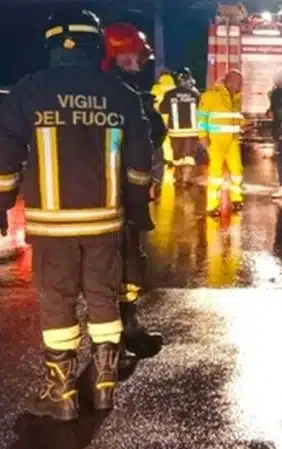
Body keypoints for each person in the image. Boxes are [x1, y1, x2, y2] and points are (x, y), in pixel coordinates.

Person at [0, 8, 153, 421]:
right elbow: (140, 160)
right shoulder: (121, 94)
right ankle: (103, 388)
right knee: (102, 296)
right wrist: (136, 206)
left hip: (52, 227)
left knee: (57, 300)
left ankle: (62, 394)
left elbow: (5, 153)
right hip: (105, 224)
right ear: (97, 47)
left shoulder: (29, 91)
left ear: (53, 46)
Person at [100, 22, 166, 361]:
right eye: (133, 56)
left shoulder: (125, 90)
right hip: (112, 195)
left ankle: (128, 327)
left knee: (128, 263)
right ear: (114, 55)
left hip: (118, 194)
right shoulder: (114, 94)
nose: (139, 63)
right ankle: (113, 341)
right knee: (112, 266)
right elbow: (143, 139)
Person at [198, 69, 245, 216]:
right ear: (229, 81)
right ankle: (212, 206)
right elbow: (202, 118)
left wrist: (242, 123)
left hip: (232, 140)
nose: (241, 85)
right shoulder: (211, 95)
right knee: (215, 174)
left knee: (237, 171)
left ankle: (237, 198)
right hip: (215, 141)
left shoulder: (236, 98)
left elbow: (235, 117)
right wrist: (203, 136)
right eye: (239, 82)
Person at [159, 68, 202, 186]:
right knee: (188, 156)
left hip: (175, 132)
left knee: (177, 157)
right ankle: (185, 179)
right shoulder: (195, 94)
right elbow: (201, 110)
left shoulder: (169, 94)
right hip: (191, 131)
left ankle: (178, 178)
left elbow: (162, 109)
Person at [150, 70, 177, 167]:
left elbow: (151, 100)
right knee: (171, 139)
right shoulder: (174, 88)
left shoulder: (156, 88)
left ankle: (163, 158)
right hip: (173, 117)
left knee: (161, 139)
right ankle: (172, 159)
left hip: (159, 117)